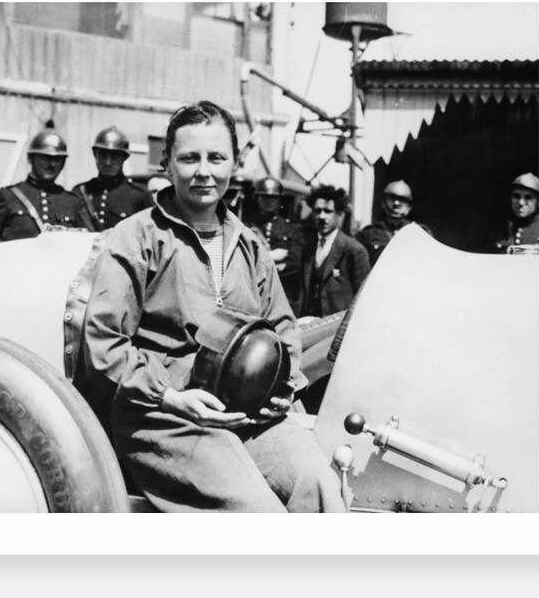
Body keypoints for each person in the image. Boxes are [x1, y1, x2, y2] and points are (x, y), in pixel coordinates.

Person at [82, 100, 345, 513]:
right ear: (167, 164)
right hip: (166, 418)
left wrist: (284, 387)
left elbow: (283, 330)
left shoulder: (249, 244)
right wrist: (170, 396)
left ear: (234, 164)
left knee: (320, 488)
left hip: (249, 416)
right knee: (257, 514)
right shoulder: (135, 238)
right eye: (189, 158)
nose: (204, 171)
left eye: (216, 158)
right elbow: (104, 345)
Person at [0, 128, 91, 248]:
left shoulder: (72, 202)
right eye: (46, 158)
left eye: (58, 159)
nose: (52, 164)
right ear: (31, 158)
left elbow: (89, 242)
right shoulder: (8, 197)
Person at [297, 186, 370, 318]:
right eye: (317, 211)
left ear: (339, 215)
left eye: (328, 211)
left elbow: (364, 298)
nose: (321, 216)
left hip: (337, 326)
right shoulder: (308, 247)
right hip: (309, 323)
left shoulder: (354, 250)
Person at [72, 126, 152, 231]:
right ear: (95, 155)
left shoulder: (139, 196)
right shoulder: (81, 192)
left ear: (124, 158)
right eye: (103, 155)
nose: (108, 162)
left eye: (115, 156)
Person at [249, 176, 304, 314]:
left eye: (273, 197)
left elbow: (294, 262)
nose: (269, 201)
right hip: (254, 293)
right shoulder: (247, 227)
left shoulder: (291, 229)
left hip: (284, 293)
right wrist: (273, 256)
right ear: (258, 199)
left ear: (279, 200)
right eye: (264, 197)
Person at [357, 179, 431, 267]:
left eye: (402, 200)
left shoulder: (420, 232)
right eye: (392, 198)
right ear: (383, 203)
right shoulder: (368, 234)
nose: (396, 203)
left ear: (409, 207)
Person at [487, 172, 539, 253]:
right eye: (516, 196)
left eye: (528, 197)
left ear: (538, 202)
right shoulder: (498, 228)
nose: (521, 202)